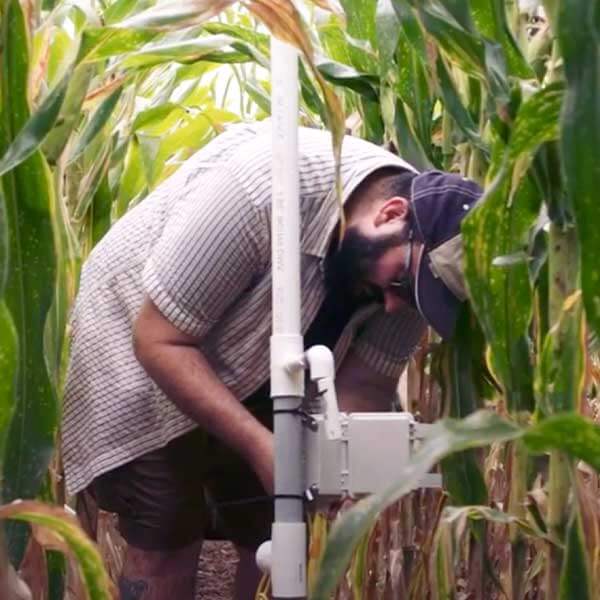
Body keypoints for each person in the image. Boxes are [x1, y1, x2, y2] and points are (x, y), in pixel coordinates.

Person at [62, 120, 481, 600]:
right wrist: (264, 447)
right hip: (145, 337)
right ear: (389, 213)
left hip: (269, 363)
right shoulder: (265, 192)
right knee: (166, 525)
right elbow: (160, 340)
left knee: (274, 526)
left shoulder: (416, 269)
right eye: (401, 286)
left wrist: (340, 466)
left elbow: (363, 381)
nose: (393, 306)